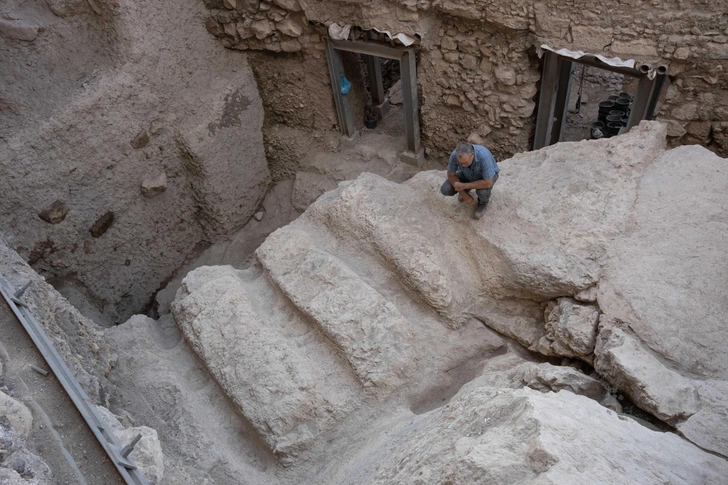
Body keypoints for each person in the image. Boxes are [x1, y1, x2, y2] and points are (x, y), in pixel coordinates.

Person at [440, 141, 500, 219]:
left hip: (486, 177)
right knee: (446, 189)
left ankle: (483, 203)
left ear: (472, 155)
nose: (462, 165)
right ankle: (467, 189)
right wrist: (464, 194)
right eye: (460, 163)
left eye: (465, 163)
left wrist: (464, 185)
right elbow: (451, 175)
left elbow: (488, 182)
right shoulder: (456, 155)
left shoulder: (483, 156)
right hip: (467, 174)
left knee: (483, 192)